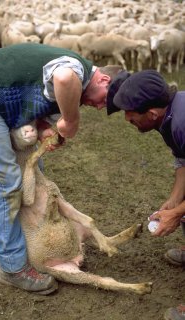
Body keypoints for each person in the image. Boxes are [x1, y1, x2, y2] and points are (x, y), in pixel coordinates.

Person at [0, 42, 126, 295]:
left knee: (33, 178)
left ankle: (37, 247)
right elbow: (64, 78)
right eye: (105, 102)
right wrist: (72, 120)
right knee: (7, 184)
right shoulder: (74, 69)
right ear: (104, 79)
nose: (100, 108)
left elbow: (42, 114)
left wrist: (48, 131)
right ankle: (12, 268)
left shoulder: (72, 89)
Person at [106, 69, 185, 320]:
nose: (127, 119)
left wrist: (177, 214)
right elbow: (184, 160)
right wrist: (174, 201)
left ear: (151, 113)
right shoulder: (169, 116)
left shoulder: (182, 122)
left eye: (130, 114)